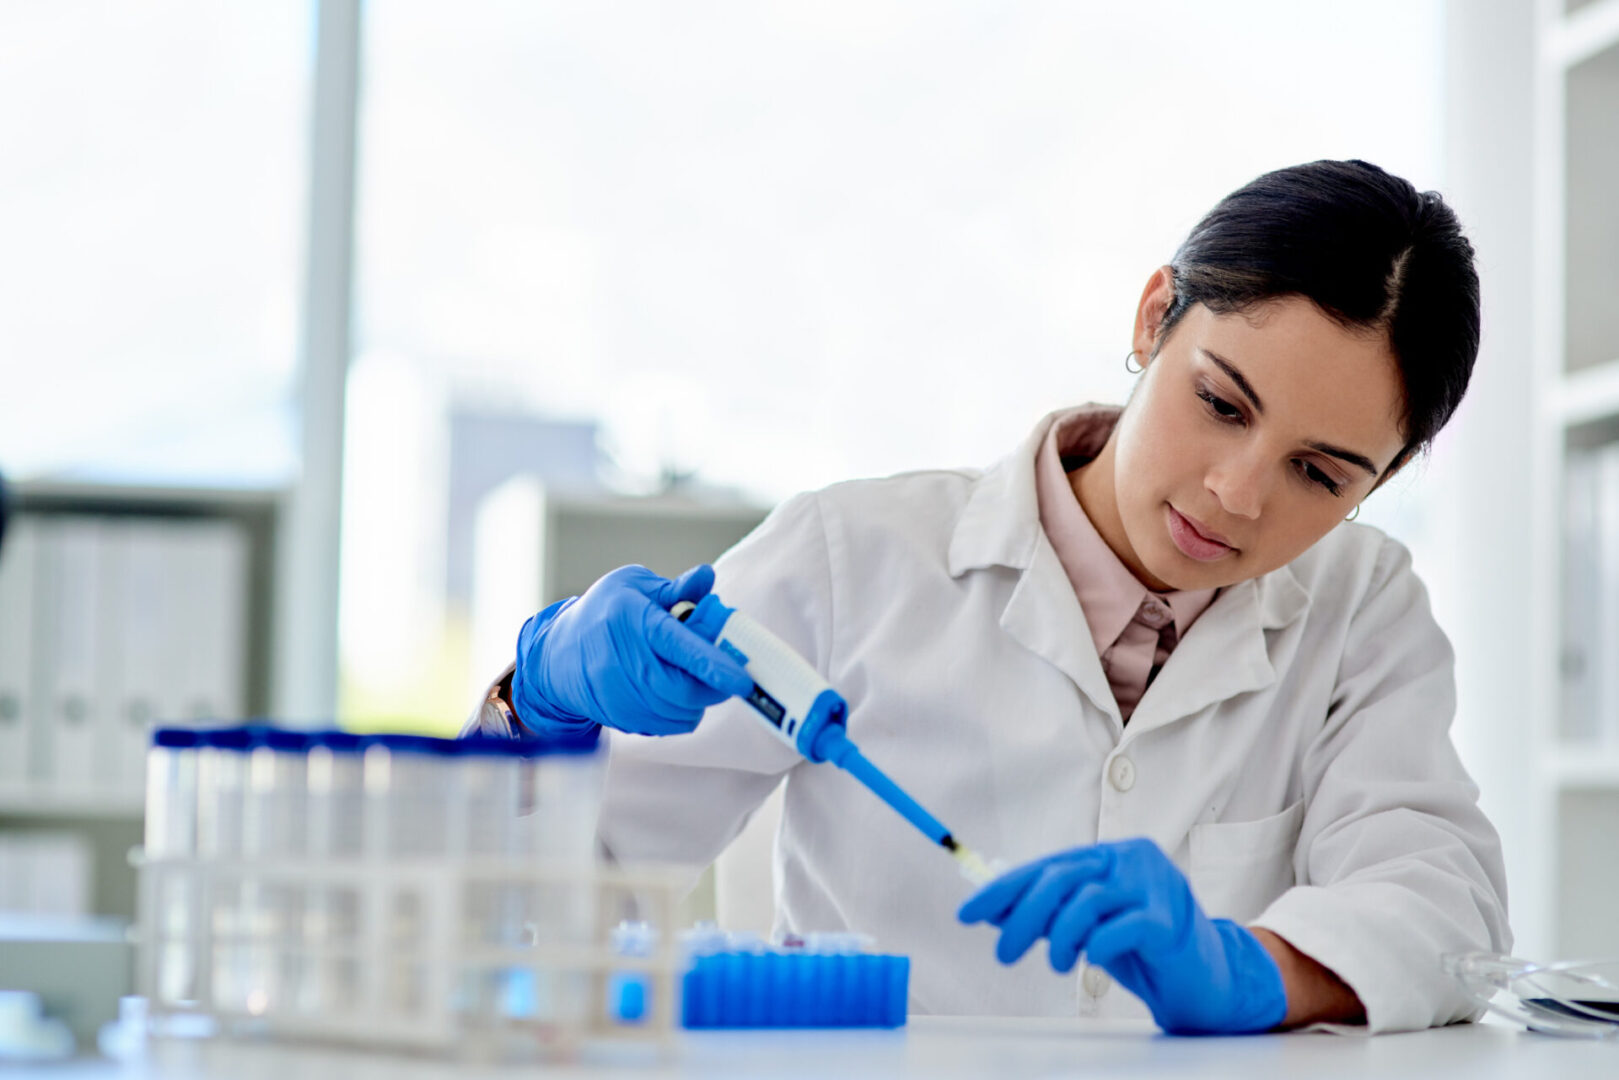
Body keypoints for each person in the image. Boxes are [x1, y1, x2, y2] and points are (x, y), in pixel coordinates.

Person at [465, 160, 1510, 1034]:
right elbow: (532, 905)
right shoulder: (851, 556)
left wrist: (1252, 970)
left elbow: (1442, 907)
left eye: (1319, 476)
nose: (1235, 495)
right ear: (1154, 318)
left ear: (1382, 478)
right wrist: (537, 707)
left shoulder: (1361, 608)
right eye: (1217, 401)